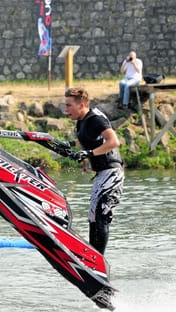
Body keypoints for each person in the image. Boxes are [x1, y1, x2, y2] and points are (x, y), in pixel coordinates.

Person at [63, 87, 124, 255]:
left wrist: (89, 153)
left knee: (101, 215)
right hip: (101, 175)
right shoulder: (82, 121)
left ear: (81, 105)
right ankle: (92, 255)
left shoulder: (96, 119)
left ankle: (98, 260)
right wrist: (69, 146)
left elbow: (113, 141)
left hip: (112, 174)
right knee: (93, 217)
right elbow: (86, 139)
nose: (65, 110)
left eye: (69, 106)